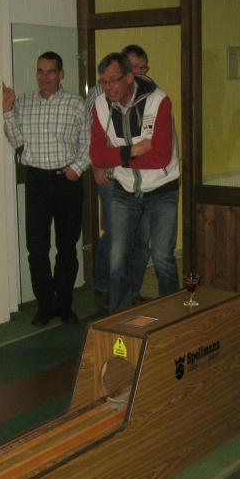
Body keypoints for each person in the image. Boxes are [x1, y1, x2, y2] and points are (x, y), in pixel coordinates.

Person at [3, 51, 89, 326]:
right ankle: (44, 304)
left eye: (51, 71)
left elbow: (89, 142)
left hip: (67, 181)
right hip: (37, 182)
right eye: (40, 71)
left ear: (60, 74)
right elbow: (16, 140)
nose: (44, 76)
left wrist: (78, 167)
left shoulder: (76, 103)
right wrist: (7, 111)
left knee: (67, 247)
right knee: (37, 248)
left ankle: (64, 304)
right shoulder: (24, 102)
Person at [89, 52, 180, 313]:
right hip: (124, 190)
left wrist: (117, 158)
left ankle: (172, 317)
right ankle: (119, 317)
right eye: (104, 81)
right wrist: (134, 150)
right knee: (117, 259)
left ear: (130, 77)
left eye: (114, 80)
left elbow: (160, 157)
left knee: (162, 257)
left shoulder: (158, 101)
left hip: (162, 190)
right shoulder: (100, 105)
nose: (109, 87)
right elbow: (96, 155)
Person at [88, 45, 153, 311]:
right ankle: (105, 288)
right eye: (135, 68)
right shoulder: (99, 94)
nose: (139, 73)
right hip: (111, 176)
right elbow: (89, 134)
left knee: (142, 238)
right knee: (116, 236)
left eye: (143, 68)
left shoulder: (149, 93)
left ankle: (132, 290)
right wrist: (96, 166)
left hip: (142, 179)